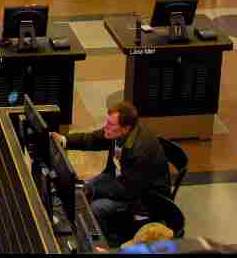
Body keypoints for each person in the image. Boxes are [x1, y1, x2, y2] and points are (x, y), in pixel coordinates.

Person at [51, 101, 171, 245]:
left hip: (142, 198)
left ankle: (102, 244)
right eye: (107, 122)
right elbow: (94, 139)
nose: (105, 127)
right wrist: (64, 140)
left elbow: (128, 191)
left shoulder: (140, 151)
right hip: (119, 178)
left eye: (110, 124)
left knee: (95, 207)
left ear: (125, 129)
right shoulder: (119, 132)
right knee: (84, 192)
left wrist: (93, 189)